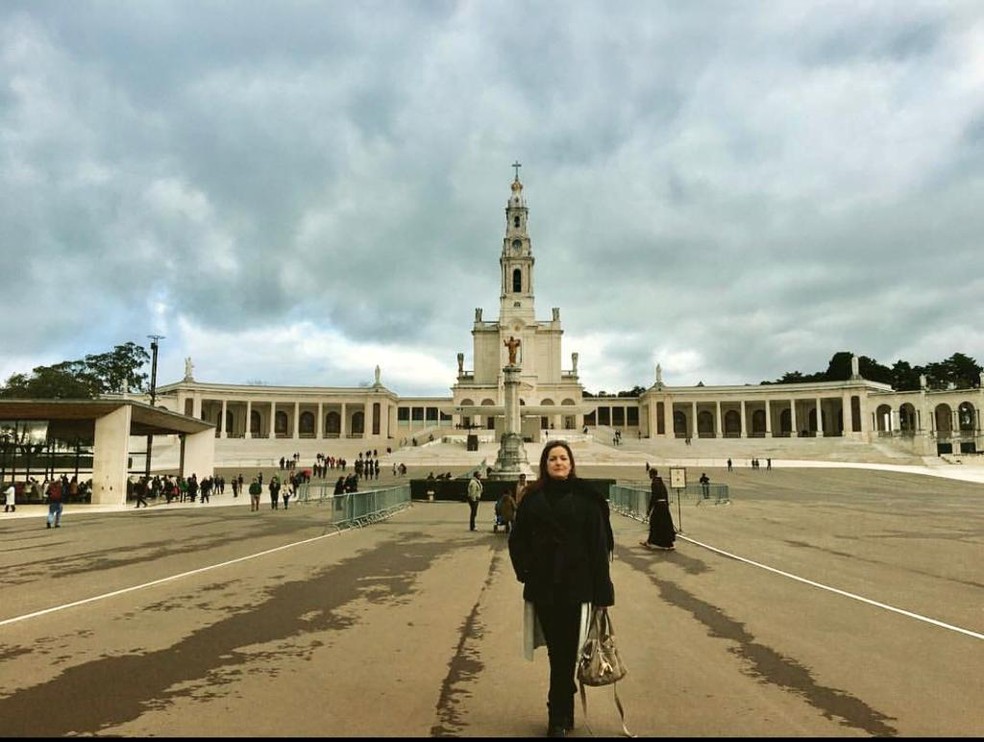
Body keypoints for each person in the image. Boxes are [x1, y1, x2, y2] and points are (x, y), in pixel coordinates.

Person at [509, 441, 615, 737]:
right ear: (544, 464)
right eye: (552, 458)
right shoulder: (532, 498)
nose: (558, 463)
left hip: (577, 586)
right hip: (544, 586)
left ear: (571, 463)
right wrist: (527, 570)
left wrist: (603, 594)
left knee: (564, 653)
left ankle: (558, 716)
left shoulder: (587, 499)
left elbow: (599, 548)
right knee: (560, 652)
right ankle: (560, 714)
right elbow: (516, 541)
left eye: (563, 458)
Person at [641, 468, 676, 551]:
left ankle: (651, 542)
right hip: (664, 506)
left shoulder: (654, 483)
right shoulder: (661, 482)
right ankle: (666, 542)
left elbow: (654, 496)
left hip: (658, 506)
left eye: (650, 474)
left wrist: (649, 509)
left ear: (652, 474)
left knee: (654, 523)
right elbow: (665, 494)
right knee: (665, 524)